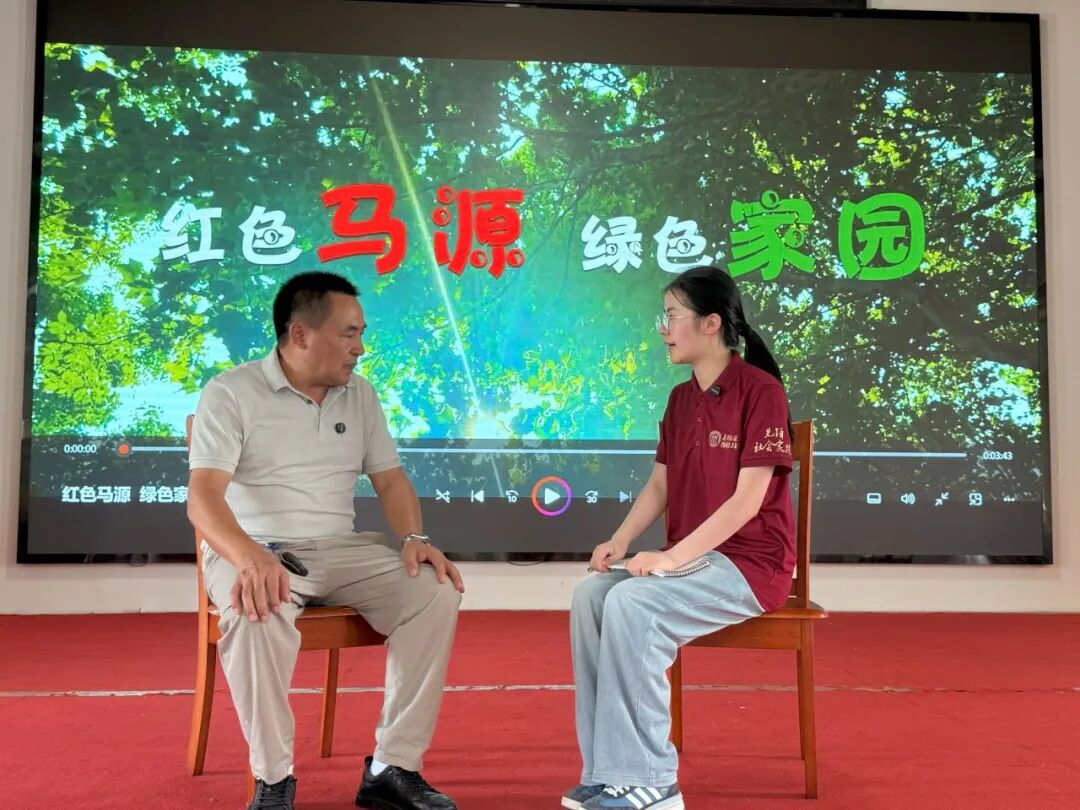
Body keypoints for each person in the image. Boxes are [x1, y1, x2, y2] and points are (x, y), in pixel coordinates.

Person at [187, 271, 463, 810]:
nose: (360, 348)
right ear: (300, 334)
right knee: (255, 606)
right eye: (349, 334)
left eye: (361, 335)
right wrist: (249, 557)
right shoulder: (230, 392)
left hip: (342, 550)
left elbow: (390, 480)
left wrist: (414, 537)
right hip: (256, 549)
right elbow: (203, 497)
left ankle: (392, 766)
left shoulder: (360, 394)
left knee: (435, 589)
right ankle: (274, 780)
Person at [562, 266, 796, 810]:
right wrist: (620, 541)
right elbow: (660, 485)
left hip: (751, 565)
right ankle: (606, 771)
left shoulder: (761, 392)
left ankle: (653, 781)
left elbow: (747, 502)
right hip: (694, 561)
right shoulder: (679, 400)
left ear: (711, 323)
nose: (663, 329)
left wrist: (669, 559)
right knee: (591, 595)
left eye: (671, 316)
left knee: (634, 604)